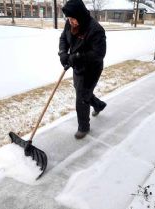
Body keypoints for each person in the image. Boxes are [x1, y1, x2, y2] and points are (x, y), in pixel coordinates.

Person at [58, 0, 107, 139]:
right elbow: (63, 38)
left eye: (73, 19)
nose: (70, 21)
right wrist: (63, 53)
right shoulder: (70, 22)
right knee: (82, 91)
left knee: (82, 96)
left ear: (80, 15)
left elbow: (99, 54)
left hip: (92, 68)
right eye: (68, 18)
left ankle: (84, 127)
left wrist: (76, 57)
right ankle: (99, 105)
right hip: (78, 65)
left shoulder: (95, 29)